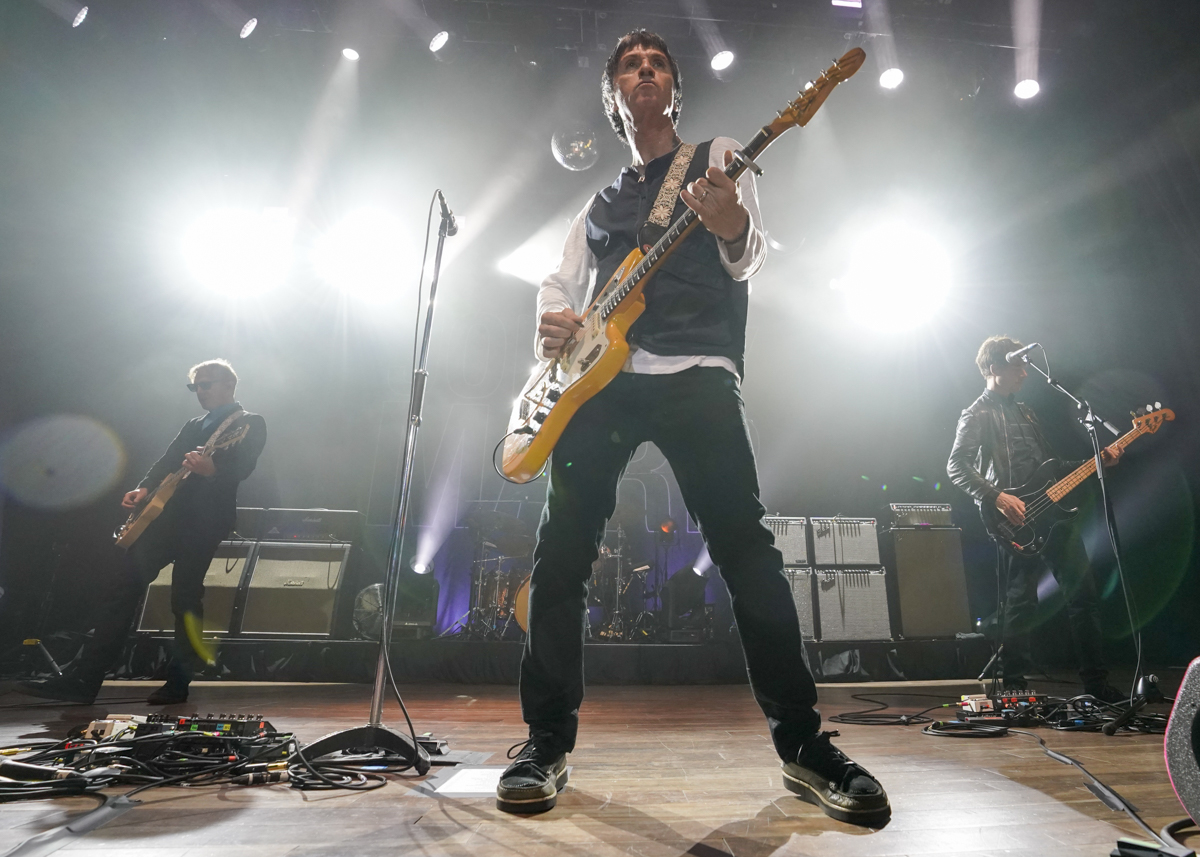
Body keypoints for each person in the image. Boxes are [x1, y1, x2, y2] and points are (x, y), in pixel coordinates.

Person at [496, 30, 889, 825]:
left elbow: (748, 261)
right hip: (597, 386)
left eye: (658, 66)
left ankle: (806, 747)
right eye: (630, 68)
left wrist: (732, 223)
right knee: (559, 560)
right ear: (613, 97)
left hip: (697, 374)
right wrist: (553, 319)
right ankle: (545, 742)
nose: (645, 74)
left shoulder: (718, 156)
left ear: (674, 92)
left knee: (748, 553)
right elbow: (556, 281)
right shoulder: (600, 201)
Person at [21, 360, 266, 705]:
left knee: (184, 598)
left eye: (206, 385)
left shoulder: (249, 423)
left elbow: (243, 466)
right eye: (195, 386)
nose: (200, 392)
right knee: (121, 588)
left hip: (204, 523)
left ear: (228, 385)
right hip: (164, 519)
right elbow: (165, 461)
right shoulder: (194, 424)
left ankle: (178, 683)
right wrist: (143, 488)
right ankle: (84, 680)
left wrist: (213, 469)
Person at [947, 336, 1123, 700]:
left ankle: (1097, 685)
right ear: (994, 368)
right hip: (1014, 518)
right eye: (1017, 366)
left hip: (1054, 515)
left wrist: (1096, 461)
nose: (1025, 373)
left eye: (1026, 366)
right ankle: (1013, 685)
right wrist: (997, 496)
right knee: (1020, 603)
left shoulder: (1027, 411)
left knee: (1084, 596)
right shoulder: (977, 413)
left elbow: (1053, 468)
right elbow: (956, 465)